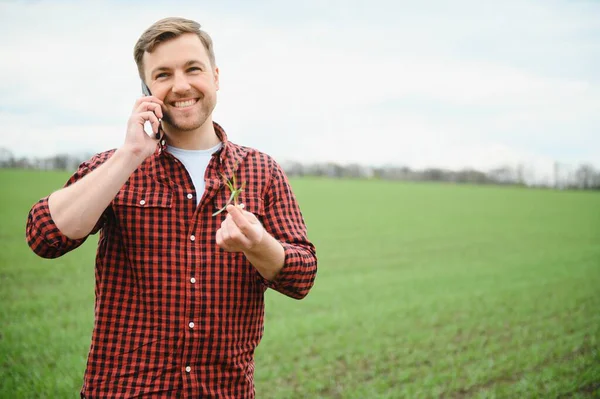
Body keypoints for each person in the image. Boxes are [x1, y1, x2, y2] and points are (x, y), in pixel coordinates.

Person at [25, 17, 317, 399]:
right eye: (162, 75)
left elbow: (301, 278)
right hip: (125, 391)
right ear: (147, 89)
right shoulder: (115, 167)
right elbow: (45, 237)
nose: (180, 85)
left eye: (192, 69)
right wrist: (130, 154)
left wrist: (258, 244)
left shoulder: (261, 171)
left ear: (215, 76)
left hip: (223, 391)